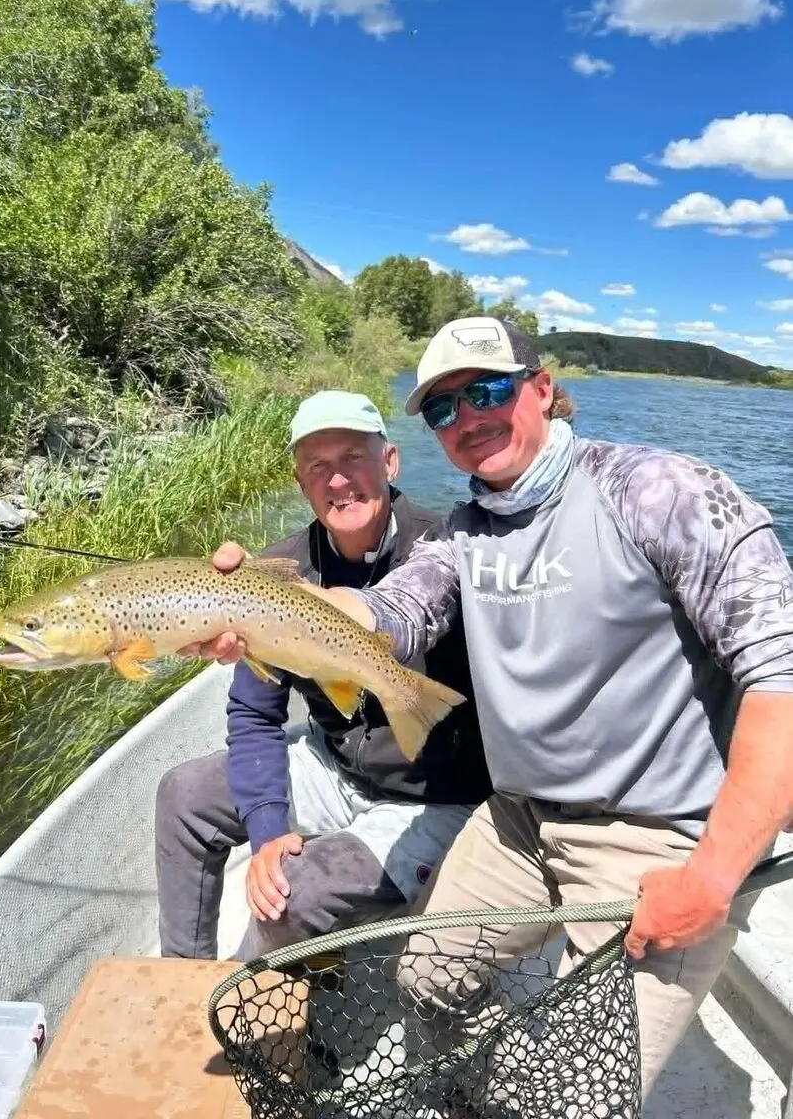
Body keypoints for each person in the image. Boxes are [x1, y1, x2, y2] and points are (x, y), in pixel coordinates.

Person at [186, 317, 793, 1102]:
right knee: (424, 982)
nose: (469, 417)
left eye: (489, 390)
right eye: (444, 407)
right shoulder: (463, 534)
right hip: (515, 821)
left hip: (659, 839)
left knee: (583, 1095)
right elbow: (392, 613)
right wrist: (281, 606)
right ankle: (471, 1095)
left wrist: (713, 876)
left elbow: (780, 678)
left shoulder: (660, 493)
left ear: (542, 390)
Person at [155, 388, 491, 962]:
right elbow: (254, 714)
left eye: (353, 458)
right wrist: (268, 831)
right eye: (318, 467)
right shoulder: (274, 572)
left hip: (437, 797)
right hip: (334, 765)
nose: (338, 482)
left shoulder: (449, 550)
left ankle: (293, 988)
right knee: (183, 794)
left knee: (293, 896)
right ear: (301, 484)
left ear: (390, 461)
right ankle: (180, 982)